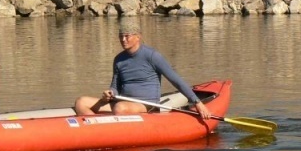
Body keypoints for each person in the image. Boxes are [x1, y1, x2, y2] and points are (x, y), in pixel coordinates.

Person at [73, 19, 213, 120]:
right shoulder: (118, 59)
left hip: (146, 105)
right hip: (121, 102)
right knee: (81, 102)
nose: (123, 39)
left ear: (138, 36)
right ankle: (98, 131)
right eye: (121, 36)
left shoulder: (152, 56)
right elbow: (115, 87)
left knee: (120, 108)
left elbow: (176, 81)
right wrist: (109, 93)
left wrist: (198, 103)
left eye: (127, 36)